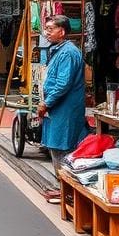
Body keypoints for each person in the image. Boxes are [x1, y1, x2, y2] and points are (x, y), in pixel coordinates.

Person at [37, 15, 88, 198]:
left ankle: (68, 190)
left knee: (63, 148)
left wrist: (46, 103)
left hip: (64, 110)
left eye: (51, 29)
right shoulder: (60, 50)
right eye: (47, 28)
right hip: (59, 109)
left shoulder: (68, 52)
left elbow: (63, 84)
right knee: (57, 147)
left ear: (63, 31)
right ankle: (63, 188)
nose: (47, 32)